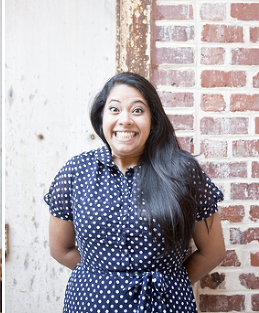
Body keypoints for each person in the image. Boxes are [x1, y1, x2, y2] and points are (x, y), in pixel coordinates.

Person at [45, 72, 226, 312]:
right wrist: (107, 280)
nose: (125, 120)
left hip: (166, 305)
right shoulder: (76, 172)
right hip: (89, 303)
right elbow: (61, 249)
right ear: (101, 118)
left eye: (138, 111)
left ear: (153, 121)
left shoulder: (183, 172)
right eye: (115, 109)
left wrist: (171, 283)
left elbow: (212, 252)